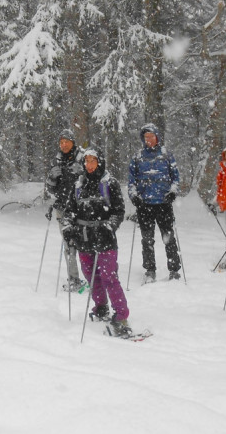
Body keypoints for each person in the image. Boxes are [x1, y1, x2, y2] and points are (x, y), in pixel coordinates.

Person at [61, 147, 131, 336]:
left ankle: (122, 316)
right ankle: (101, 307)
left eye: (93, 161)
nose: (89, 165)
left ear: (99, 162)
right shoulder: (78, 184)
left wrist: (109, 227)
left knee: (109, 276)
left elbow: (118, 211)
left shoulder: (110, 183)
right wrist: (67, 228)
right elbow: (69, 211)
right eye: (87, 161)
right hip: (84, 238)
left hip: (105, 238)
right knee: (91, 276)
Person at [128, 124, 182, 281]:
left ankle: (174, 270)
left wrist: (172, 192)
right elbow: (131, 180)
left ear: (157, 137)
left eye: (151, 136)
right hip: (144, 204)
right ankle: (150, 270)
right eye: (146, 137)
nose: (149, 140)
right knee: (147, 239)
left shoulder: (166, 155)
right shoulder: (137, 157)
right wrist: (134, 196)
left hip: (163, 203)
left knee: (168, 237)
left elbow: (176, 178)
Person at [44, 129, 86, 292]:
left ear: (73, 142)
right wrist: (52, 178)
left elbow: (92, 180)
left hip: (82, 209)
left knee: (86, 243)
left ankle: (93, 277)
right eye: (61, 142)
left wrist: (81, 173)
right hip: (63, 209)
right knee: (69, 245)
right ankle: (74, 279)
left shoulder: (83, 158)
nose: (63, 145)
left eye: (66, 141)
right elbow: (52, 190)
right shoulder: (57, 160)